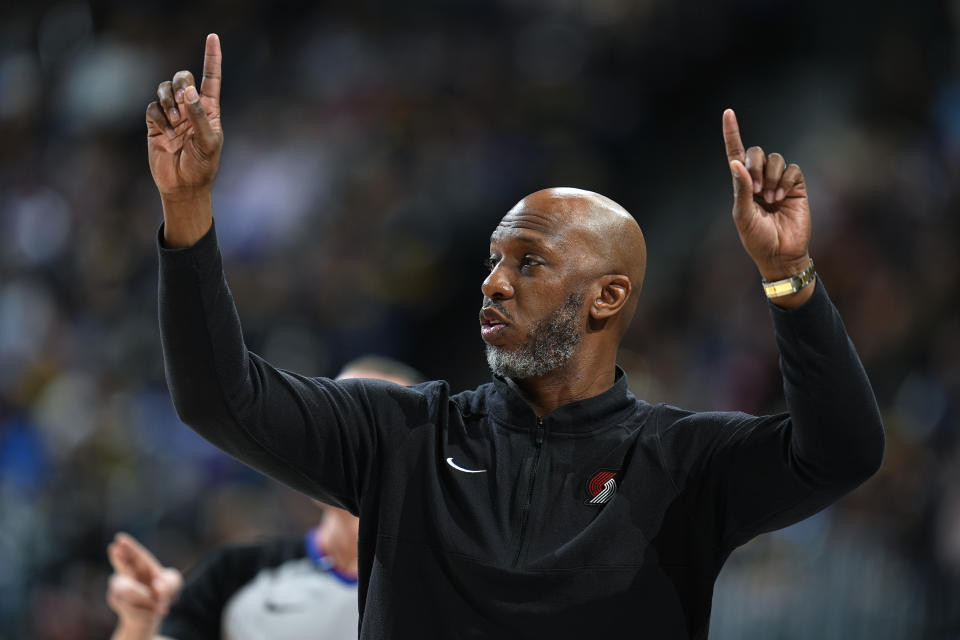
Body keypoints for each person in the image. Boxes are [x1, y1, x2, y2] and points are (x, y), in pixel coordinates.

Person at [145, 34, 884, 639]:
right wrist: (186, 209)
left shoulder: (684, 464)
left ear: (608, 297)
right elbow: (219, 397)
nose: (493, 283)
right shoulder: (399, 435)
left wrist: (788, 273)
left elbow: (843, 451)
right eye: (493, 260)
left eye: (527, 262)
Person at [106, 357, 422, 640]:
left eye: (373, 429)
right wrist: (139, 625)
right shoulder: (236, 573)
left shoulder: (449, 582)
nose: (349, 445)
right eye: (338, 421)